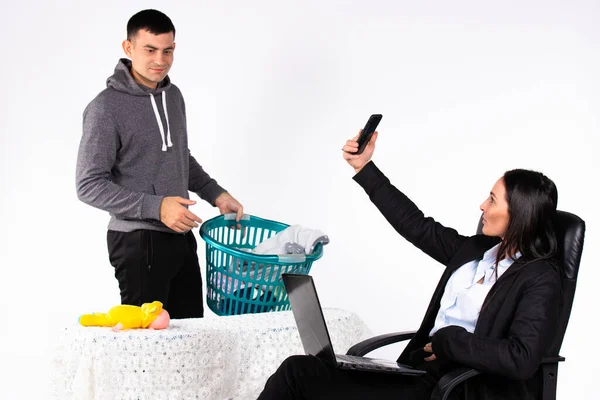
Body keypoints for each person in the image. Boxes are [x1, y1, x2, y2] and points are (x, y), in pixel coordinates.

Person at [258, 130, 561, 399]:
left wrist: (448, 342)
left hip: (456, 387)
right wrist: (364, 167)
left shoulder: (539, 278)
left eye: (493, 200)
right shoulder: (476, 249)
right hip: (420, 374)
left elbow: (521, 357)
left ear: (519, 215)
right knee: (301, 370)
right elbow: (415, 225)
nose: (482, 205)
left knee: (299, 376)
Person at [76, 9, 243, 319]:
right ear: (128, 48)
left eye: (167, 50)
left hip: (180, 236)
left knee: (192, 342)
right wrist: (157, 207)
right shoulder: (105, 108)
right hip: (138, 241)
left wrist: (217, 194)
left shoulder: (174, 96)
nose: (160, 60)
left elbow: (180, 157)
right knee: (145, 350)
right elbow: (88, 185)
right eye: (149, 50)